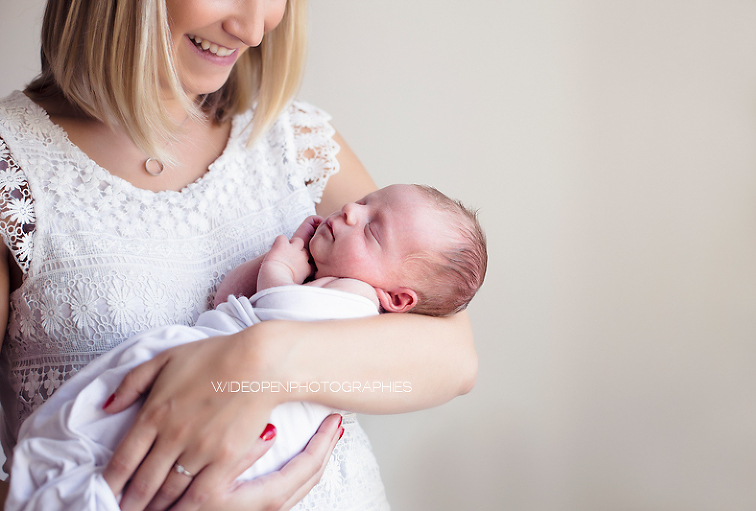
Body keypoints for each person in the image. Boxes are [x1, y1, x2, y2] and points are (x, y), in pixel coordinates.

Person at [0, 1, 478, 510]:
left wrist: (261, 358)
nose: (253, 29)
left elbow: (453, 357)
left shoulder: (296, 139)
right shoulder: (15, 167)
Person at [5, 184, 487, 510]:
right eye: (364, 201)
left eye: (373, 228)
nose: (351, 211)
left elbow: (272, 320)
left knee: (97, 440)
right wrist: (278, 267)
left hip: (247, 425)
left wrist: (280, 272)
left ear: (398, 299)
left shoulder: (354, 300)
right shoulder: (339, 285)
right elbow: (232, 300)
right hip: (221, 409)